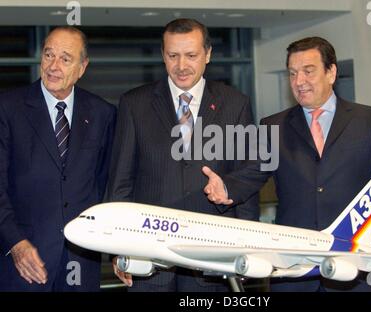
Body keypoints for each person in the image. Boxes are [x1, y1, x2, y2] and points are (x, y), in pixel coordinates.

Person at [202, 36, 371, 292]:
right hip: (292, 267)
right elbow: (254, 171)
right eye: (293, 73)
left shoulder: (368, 120)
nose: (299, 82)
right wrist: (227, 188)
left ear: (331, 72)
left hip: (350, 266)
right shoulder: (273, 125)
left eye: (308, 71)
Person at [105, 18, 259, 292]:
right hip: (149, 257)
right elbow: (121, 183)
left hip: (213, 259)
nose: (181, 66)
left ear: (208, 55)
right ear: (163, 55)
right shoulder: (133, 103)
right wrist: (119, 247)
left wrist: (249, 249)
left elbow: (247, 179)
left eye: (191, 55)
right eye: (173, 55)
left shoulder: (236, 103)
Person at [0, 27, 116, 291]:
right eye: (48, 55)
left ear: (82, 67)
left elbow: (105, 188)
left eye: (65, 59)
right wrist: (15, 243)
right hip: (23, 263)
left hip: (82, 262)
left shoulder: (103, 114)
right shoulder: (7, 109)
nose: (53, 66)